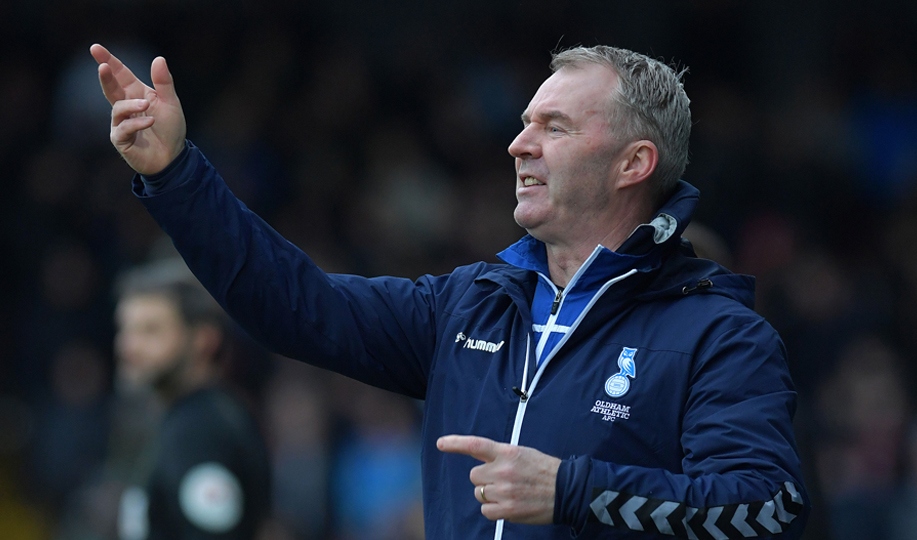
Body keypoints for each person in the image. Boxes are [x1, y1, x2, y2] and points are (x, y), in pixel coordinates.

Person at [91, 42, 809, 539]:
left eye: (552, 127)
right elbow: (294, 305)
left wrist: (573, 491)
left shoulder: (717, 334)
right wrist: (175, 173)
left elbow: (767, 508)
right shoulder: (470, 305)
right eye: (525, 122)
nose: (517, 144)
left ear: (633, 162)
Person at [111, 258, 270, 539]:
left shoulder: (201, 430)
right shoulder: (183, 419)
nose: (129, 346)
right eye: (126, 330)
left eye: (151, 330)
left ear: (203, 340)